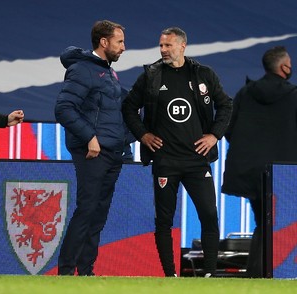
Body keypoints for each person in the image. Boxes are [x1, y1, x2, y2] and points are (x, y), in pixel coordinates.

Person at [122, 27, 233, 277]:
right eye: (161, 45)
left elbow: (226, 104)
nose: (163, 50)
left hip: (196, 161)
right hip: (165, 161)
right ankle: (170, 275)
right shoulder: (151, 75)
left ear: (182, 46)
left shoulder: (203, 75)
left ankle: (211, 274)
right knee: (164, 221)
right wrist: (143, 135)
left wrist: (215, 135)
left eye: (168, 45)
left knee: (209, 215)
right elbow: (129, 107)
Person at [221, 46, 297, 278]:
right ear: (284, 67)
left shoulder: (245, 93)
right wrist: (289, 159)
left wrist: (246, 152)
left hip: (248, 171)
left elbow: (228, 129)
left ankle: (258, 272)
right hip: (280, 174)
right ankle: (266, 273)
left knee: (263, 221)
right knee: (274, 223)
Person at [54, 20, 126, 276]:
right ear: (104, 42)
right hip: (92, 151)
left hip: (111, 152)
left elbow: (111, 111)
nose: (123, 48)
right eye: (119, 42)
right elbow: (63, 109)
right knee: (87, 210)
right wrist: (89, 138)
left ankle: (85, 271)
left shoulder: (107, 71)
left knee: (98, 214)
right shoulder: (83, 70)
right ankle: (64, 272)